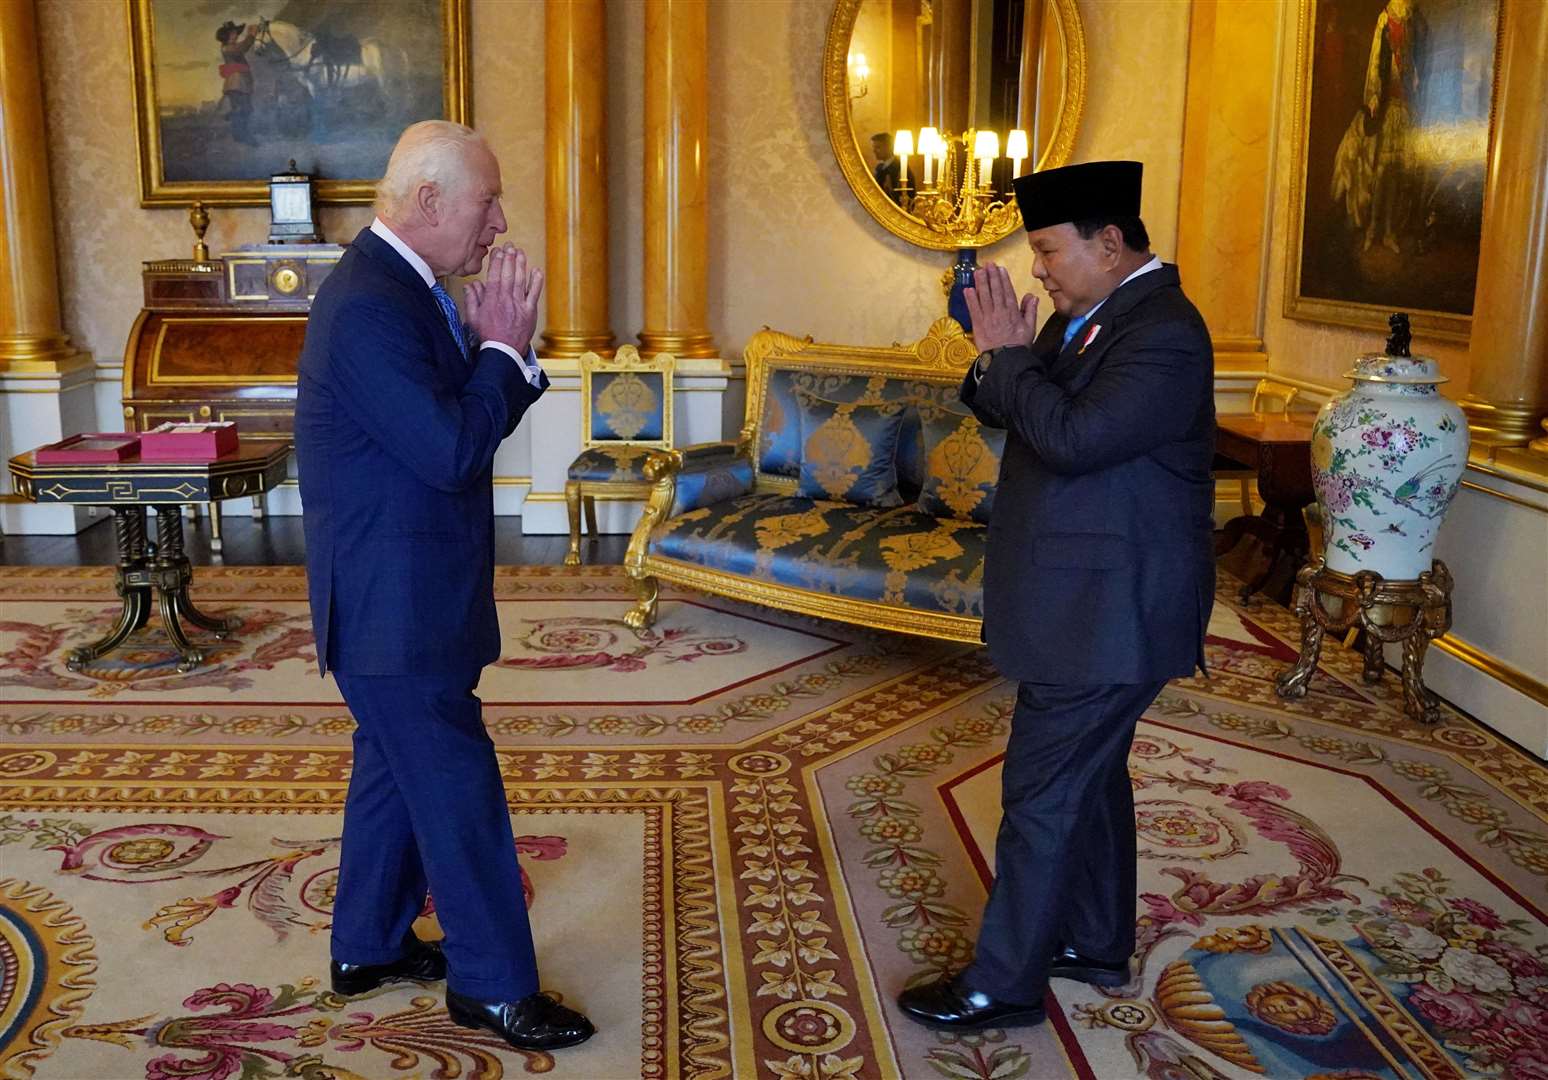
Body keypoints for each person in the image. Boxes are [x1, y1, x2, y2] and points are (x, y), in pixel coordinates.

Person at [294, 120, 594, 1052]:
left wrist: (493, 349)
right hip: (395, 610)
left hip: (406, 594)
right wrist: (500, 351)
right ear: (429, 202)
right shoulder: (372, 304)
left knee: (393, 772)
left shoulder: (405, 288)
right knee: (458, 792)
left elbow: (443, 419)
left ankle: (368, 947)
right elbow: (451, 448)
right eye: (489, 200)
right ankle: (493, 987)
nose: (501, 222)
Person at [896, 160, 1215, 1030]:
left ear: (1110, 243)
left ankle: (1003, 984)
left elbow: (1071, 437)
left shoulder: (1165, 333)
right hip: (1086, 603)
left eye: (1047, 250)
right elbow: (1012, 402)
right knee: (1092, 779)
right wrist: (993, 358)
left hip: (1114, 612)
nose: (1038, 268)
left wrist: (1005, 358)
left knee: (1041, 795)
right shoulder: (1093, 315)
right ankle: (1098, 939)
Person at [216, 20, 260, 147]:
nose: (236, 35)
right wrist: (251, 34)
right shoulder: (228, 48)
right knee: (243, 110)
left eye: (236, 33)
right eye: (233, 33)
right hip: (237, 84)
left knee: (242, 110)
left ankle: (239, 135)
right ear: (227, 35)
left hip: (240, 84)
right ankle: (245, 137)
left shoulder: (230, 47)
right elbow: (243, 47)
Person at [871, 133, 901, 203]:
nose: (874, 151)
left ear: (889, 147)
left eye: (878, 147)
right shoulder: (879, 168)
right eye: (873, 147)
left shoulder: (900, 168)